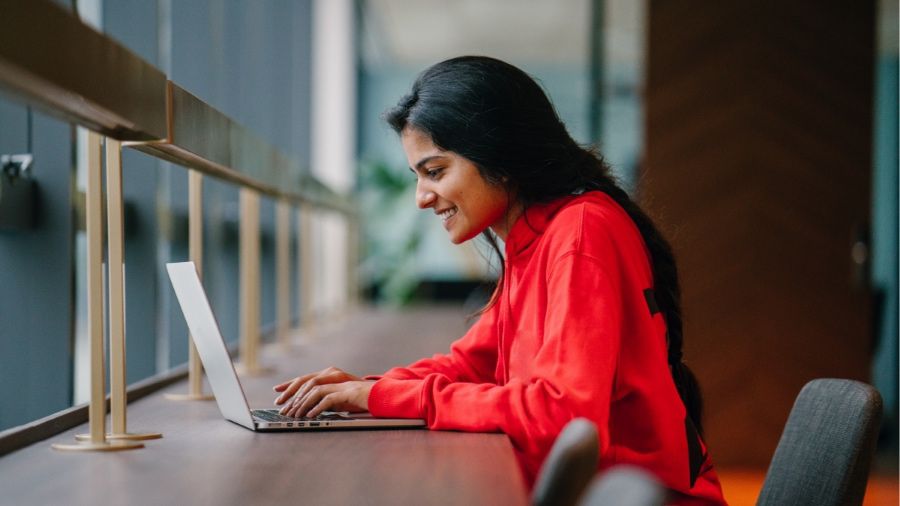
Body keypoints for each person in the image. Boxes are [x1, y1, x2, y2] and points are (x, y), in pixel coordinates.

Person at [273, 56, 726, 504]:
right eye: (418, 176)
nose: (421, 198)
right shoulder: (536, 236)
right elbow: (471, 363)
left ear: (501, 157)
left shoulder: (581, 232)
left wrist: (385, 396)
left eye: (435, 171)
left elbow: (564, 414)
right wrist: (365, 390)